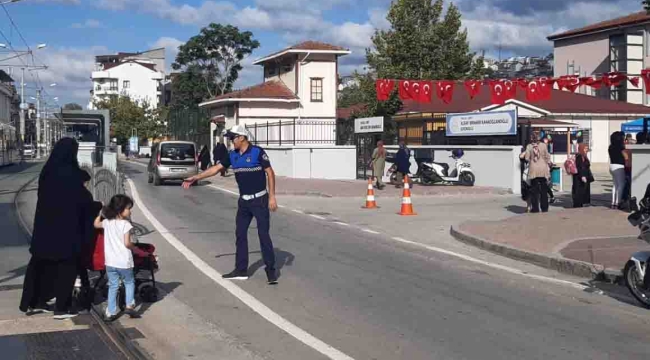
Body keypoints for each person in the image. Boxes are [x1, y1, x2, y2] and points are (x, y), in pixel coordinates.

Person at [183, 125, 278, 285]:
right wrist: (196, 177)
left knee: (263, 235)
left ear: (242, 137)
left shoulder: (257, 152)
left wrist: (272, 197)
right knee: (240, 234)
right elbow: (216, 169)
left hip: (260, 200)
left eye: (233, 138)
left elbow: (269, 172)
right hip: (244, 202)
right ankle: (241, 270)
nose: (231, 141)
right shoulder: (232, 155)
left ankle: (271, 271)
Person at [20, 138, 96, 319]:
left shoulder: (47, 171)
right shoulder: (72, 174)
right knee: (66, 268)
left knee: (39, 265)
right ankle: (61, 308)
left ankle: (33, 301)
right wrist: (97, 206)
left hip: (44, 229)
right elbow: (82, 202)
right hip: (66, 231)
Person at [93, 194, 149, 321]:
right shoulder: (125, 225)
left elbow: (96, 224)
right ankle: (129, 305)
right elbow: (127, 243)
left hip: (110, 263)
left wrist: (101, 213)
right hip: (124, 262)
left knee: (113, 286)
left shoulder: (107, 222)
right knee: (129, 282)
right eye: (128, 208)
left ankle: (110, 313)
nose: (130, 211)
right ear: (120, 209)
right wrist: (136, 249)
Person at [524, 132, 552, 213]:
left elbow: (526, 158)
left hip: (533, 170)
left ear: (532, 138)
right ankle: (544, 208)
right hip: (543, 169)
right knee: (544, 190)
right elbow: (547, 156)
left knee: (534, 191)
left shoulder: (529, 146)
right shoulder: (543, 145)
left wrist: (532, 160)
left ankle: (535, 208)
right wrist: (545, 162)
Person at [609, 131, 628, 210]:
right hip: (619, 166)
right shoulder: (621, 147)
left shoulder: (610, 147)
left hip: (612, 166)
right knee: (621, 185)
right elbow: (626, 157)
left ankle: (613, 202)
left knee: (615, 185)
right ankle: (618, 202)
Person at [572, 144, 593, 208]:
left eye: (587, 148)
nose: (586, 150)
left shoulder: (584, 156)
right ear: (581, 149)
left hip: (583, 176)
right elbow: (580, 167)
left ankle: (581, 204)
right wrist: (582, 176)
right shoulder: (579, 156)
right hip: (580, 177)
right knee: (579, 191)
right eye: (585, 148)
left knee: (583, 191)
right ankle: (578, 205)